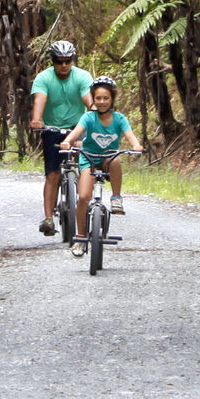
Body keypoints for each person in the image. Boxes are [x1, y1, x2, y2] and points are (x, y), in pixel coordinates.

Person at [60, 76, 143, 257]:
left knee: (115, 160)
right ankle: (80, 237)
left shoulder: (119, 119)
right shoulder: (89, 117)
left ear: (112, 99)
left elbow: (130, 135)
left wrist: (136, 145)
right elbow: (76, 133)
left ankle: (116, 197)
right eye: (98, 98)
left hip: (107, 158)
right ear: (93, 99)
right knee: (83, 197)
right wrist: (67, 142)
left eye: (106, 98)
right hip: (88, 158)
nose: (102, 102)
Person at [30, 40, 93, 237]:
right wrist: (36, 120)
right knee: (53, 174)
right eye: (59, 61)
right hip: (52, 128)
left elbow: (87, 97)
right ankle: (48, 218)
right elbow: (40, 99)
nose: (64, 65)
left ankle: (82, 202)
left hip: (78, 127)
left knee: (84, 167)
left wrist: (94, 111)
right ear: (53, 61)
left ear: (73, 60)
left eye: (68, 61)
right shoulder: (44, 78)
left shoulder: (82, 76)